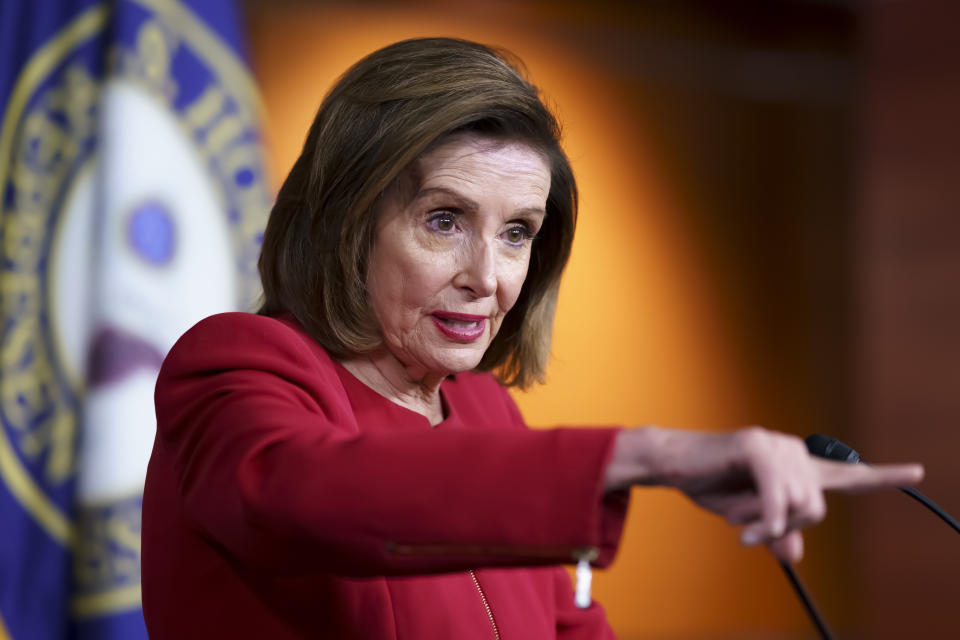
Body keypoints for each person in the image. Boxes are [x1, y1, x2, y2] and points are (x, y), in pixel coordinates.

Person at [141, 37, 922, 639]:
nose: (488, 276)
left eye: (517, 233)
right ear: (346, 222)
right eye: (444, 221)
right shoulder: (236, 367)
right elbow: (305, 497)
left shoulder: (486, 416)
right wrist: (644, 454)